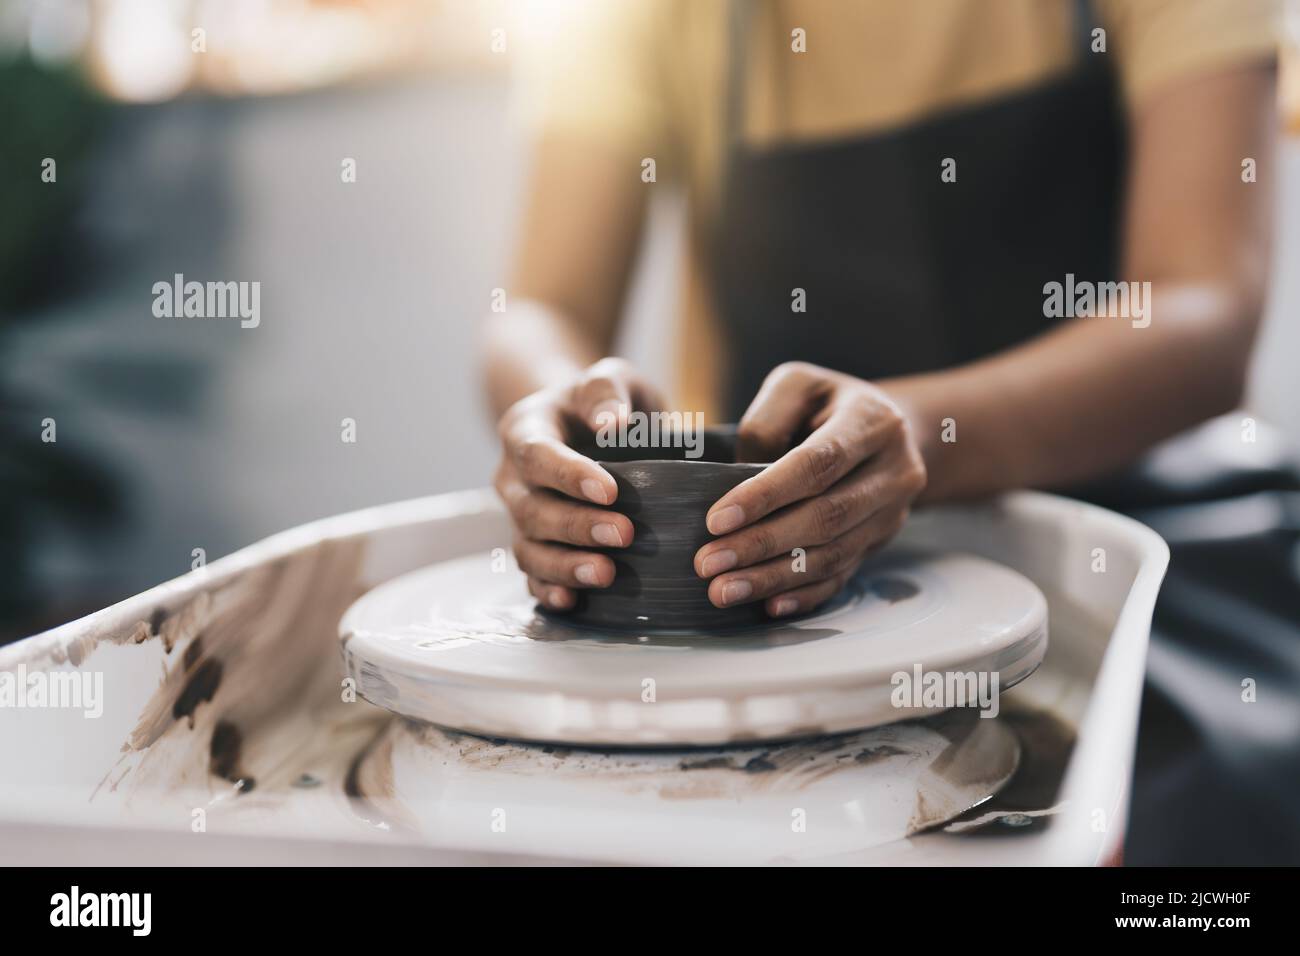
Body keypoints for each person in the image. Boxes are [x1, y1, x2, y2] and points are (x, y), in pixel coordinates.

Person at [483, 0, 1280, 620]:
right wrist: (565, 409)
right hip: (770, 563)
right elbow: (545, 306)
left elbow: (1204, 306)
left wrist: (922, 429)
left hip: (1143, 544)